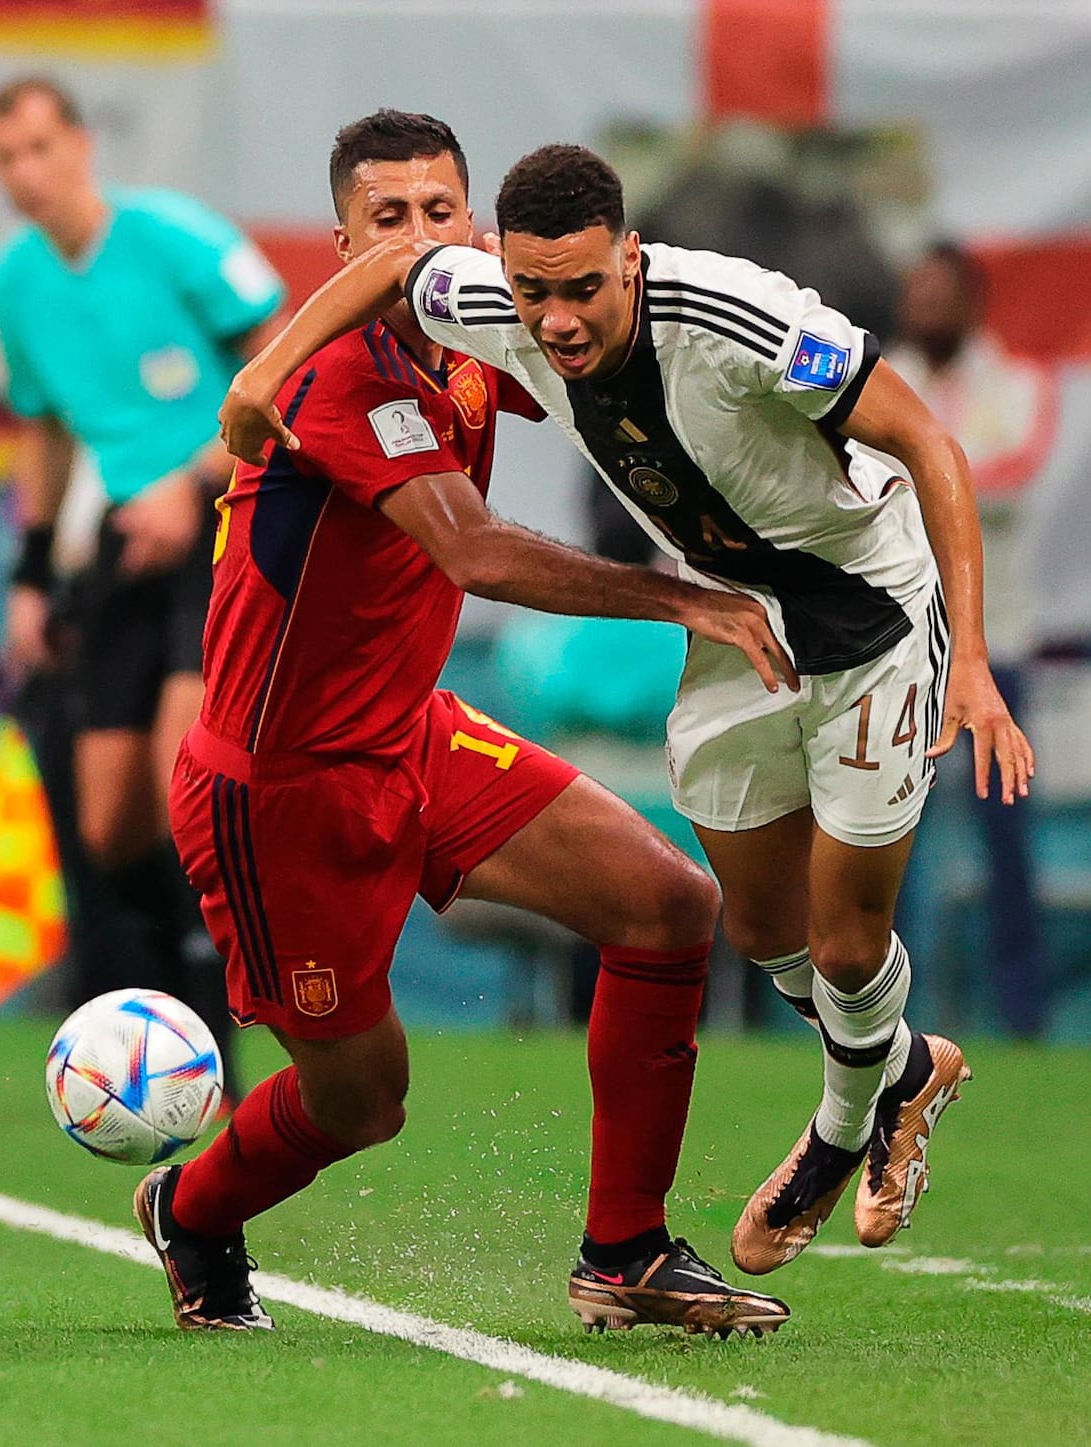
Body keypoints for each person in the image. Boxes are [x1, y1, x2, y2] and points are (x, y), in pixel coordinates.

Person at [221, 143, 1034, 1279]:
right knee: (758, 929)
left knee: (843, 940)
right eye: (532, 290)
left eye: (583, 289)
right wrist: (264, 373)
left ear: (633, 259)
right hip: (732, 610)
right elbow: (399, 271)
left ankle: (838, 1130)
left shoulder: (741, 319)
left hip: (869, 608)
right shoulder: (487, 301)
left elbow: (928, 441)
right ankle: (906, 1068)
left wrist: (975, 660)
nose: (556, 320)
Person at [132, 110, 797, 1338]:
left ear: (476, 226)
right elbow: (476, 552)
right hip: (281, 794)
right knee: (364, 1100)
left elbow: (607, 358)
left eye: (440, 212)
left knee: (667, 905)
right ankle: (194, 1207)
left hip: (414, 736)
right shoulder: (336, 376)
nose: (418, 238)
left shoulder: (475, 330)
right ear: (344, 245)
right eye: (387, 219)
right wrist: (687, 598)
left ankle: (625, 1251)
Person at [0, 76, 288, 1095]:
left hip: (221, 529)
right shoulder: (16, 282)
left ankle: (220, 1040)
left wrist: (195, 478)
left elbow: (286, 360)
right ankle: (165, 1029)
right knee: (108, 823)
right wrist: (31, 577)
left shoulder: (172, 236)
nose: (26, 171)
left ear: (80, 143)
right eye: (6, 156)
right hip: (123, 546)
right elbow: (45, 431)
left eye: (39, 146)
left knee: (182, 788)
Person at [887, 242, 1053, 1038]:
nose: (924, 306)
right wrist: (941, 473)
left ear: (971, 303)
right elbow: (859, 482)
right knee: (887, 840)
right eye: (915, 292)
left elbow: (1011, 474)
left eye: (939, 293)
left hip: (995, 655)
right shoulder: (885, 377)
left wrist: (919, 471)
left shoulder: (1018, 385)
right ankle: (884, 1015)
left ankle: (1023, 1014)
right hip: (906, 650)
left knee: (1006, 843)